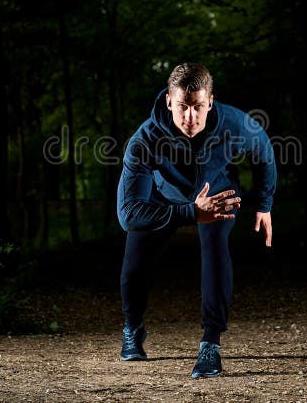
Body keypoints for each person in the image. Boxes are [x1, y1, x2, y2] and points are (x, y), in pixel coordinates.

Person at [117, 62, 276, 379]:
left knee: (215, 246)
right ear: (168, 102)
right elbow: (128, 214)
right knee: (133, 265)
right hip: (165, 198)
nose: (190, 117)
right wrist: (189, 211)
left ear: (211, 101)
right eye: (182, 107)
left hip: (219, 194)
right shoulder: (144, 139)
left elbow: (264, 152)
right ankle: (133, 327)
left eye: (198, 107)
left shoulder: (235, 123)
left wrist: (264, 203)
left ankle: (210, 344)